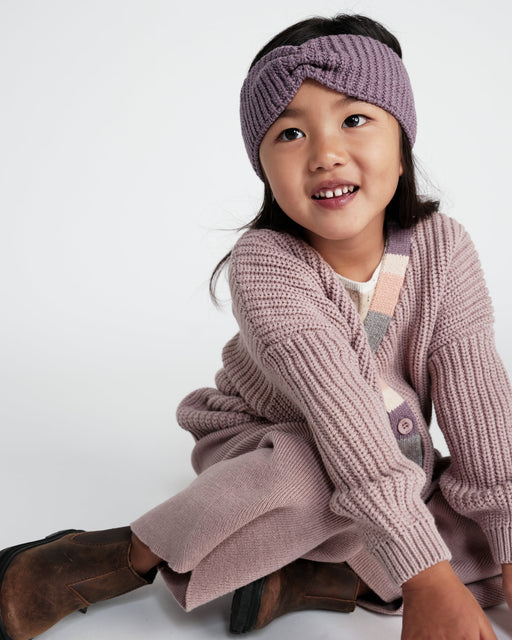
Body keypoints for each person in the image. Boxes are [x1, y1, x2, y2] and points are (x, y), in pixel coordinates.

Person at [1, 12, 511, 640]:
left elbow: (479, 401)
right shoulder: (267, 265)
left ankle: (306, 576)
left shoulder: (445, 247)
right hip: (269, 442)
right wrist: (427, 580)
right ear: (264, 170)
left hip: (390, 463)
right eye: (290, 133)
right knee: (310, 476)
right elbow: (342, 415)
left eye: (355, 120)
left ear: (402, 148)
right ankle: (115, 556)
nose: (325, 154)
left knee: (474, 525)